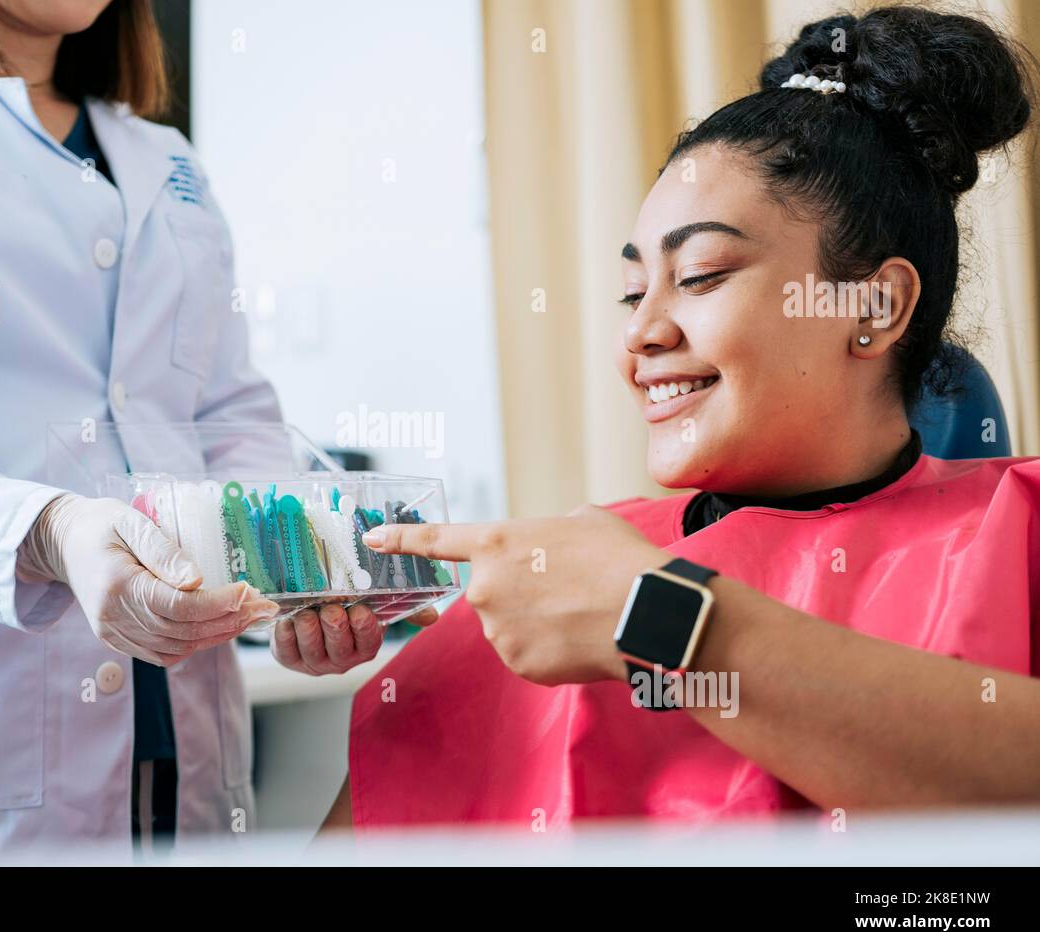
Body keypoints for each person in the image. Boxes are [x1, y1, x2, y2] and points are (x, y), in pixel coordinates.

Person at [324, 5, 1040, 828]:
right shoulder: (565, 578)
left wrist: (657, 616)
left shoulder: (1017, 531)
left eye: (698, 276)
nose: (641, 331)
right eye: (634, 290)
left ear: (873, 305)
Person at [0, 0, 403, 865]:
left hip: (170, 738)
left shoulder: (165, 159)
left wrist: (298, 577)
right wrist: (50, 529)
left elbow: (229, 416)